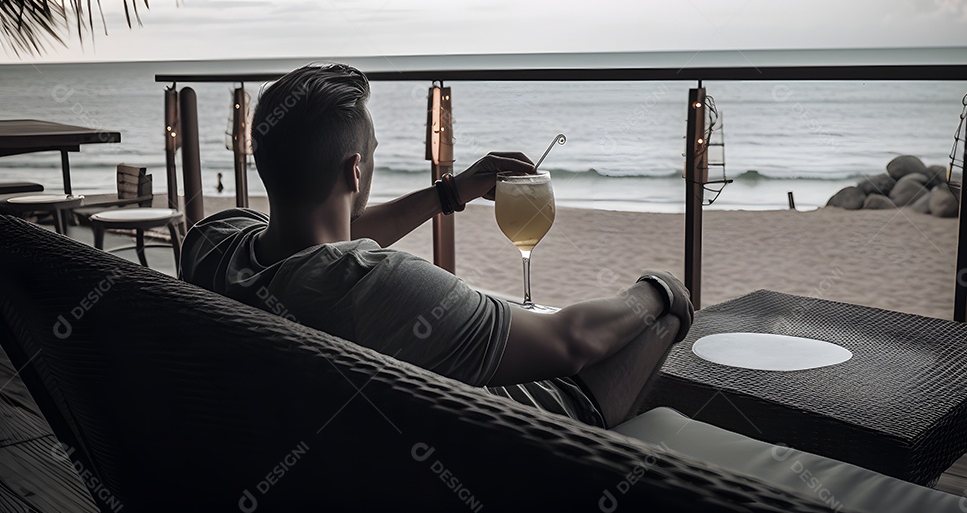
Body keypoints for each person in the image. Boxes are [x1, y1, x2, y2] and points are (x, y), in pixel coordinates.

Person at [180, 63, 694, 428]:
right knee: (658, 322)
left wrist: (451, 191)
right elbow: (571, 341)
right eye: (373, 153)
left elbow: (331, 246)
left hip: (331, 435)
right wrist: (658, 289)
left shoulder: (211, 243)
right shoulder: (379, 287)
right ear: (355, 170)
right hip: (535, 432)